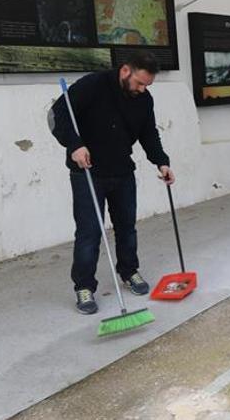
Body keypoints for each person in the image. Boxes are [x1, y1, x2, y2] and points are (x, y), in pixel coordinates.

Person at [51, 51, 175, 314]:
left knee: (127, 228)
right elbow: (57, 115)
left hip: (122, 170)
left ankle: (129, 271)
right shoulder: (93, 85)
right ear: (125, 71)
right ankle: (84, 287)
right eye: (139, 83)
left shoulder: (143, 99)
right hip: (88, 171)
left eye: (147, 85)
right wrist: (75, 145)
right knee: (89, 233)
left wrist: (161, 161)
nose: (142, 90)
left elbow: (148, 133)